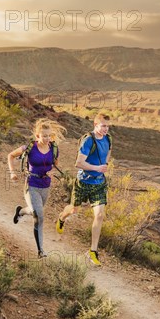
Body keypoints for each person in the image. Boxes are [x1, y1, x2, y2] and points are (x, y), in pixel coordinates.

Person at [56, 112, 112, 266]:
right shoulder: (88, 140)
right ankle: (61, 217)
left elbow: (108, 152)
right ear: (96, 125)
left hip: (99, 184)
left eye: (108, 126)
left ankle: (93, 251)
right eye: (103, 126)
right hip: (83, 182)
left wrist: (105, 165)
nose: (106, 129)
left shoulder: (108, 138)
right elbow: (79, 163)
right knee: (73, 210)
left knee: (99, 215)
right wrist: (97, 167)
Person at [7, 118, 66, 258]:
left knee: (35, 212)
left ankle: (20, 211)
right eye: (44, 136)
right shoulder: (29, 148)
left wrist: (53, 172)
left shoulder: (54, 149)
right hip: (32, 184)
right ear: (37, 136)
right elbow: (10, 155)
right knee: (39, 216)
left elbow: (56, 166)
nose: (47, 138)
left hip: (46, 186)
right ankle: (41, 251)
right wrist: (12, 173)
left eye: (49, 136)